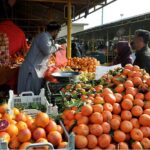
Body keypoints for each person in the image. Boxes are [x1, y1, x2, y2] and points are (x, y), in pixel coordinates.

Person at [17, 21, 61, 95]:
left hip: (35, 68)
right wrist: (57, 46)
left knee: (33, 93)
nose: (57, 34)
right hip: (31, 69)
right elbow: (47, 51)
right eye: (58, 32)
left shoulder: (47, 37)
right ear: (55, 31)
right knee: (28, 93)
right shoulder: (44, 36)